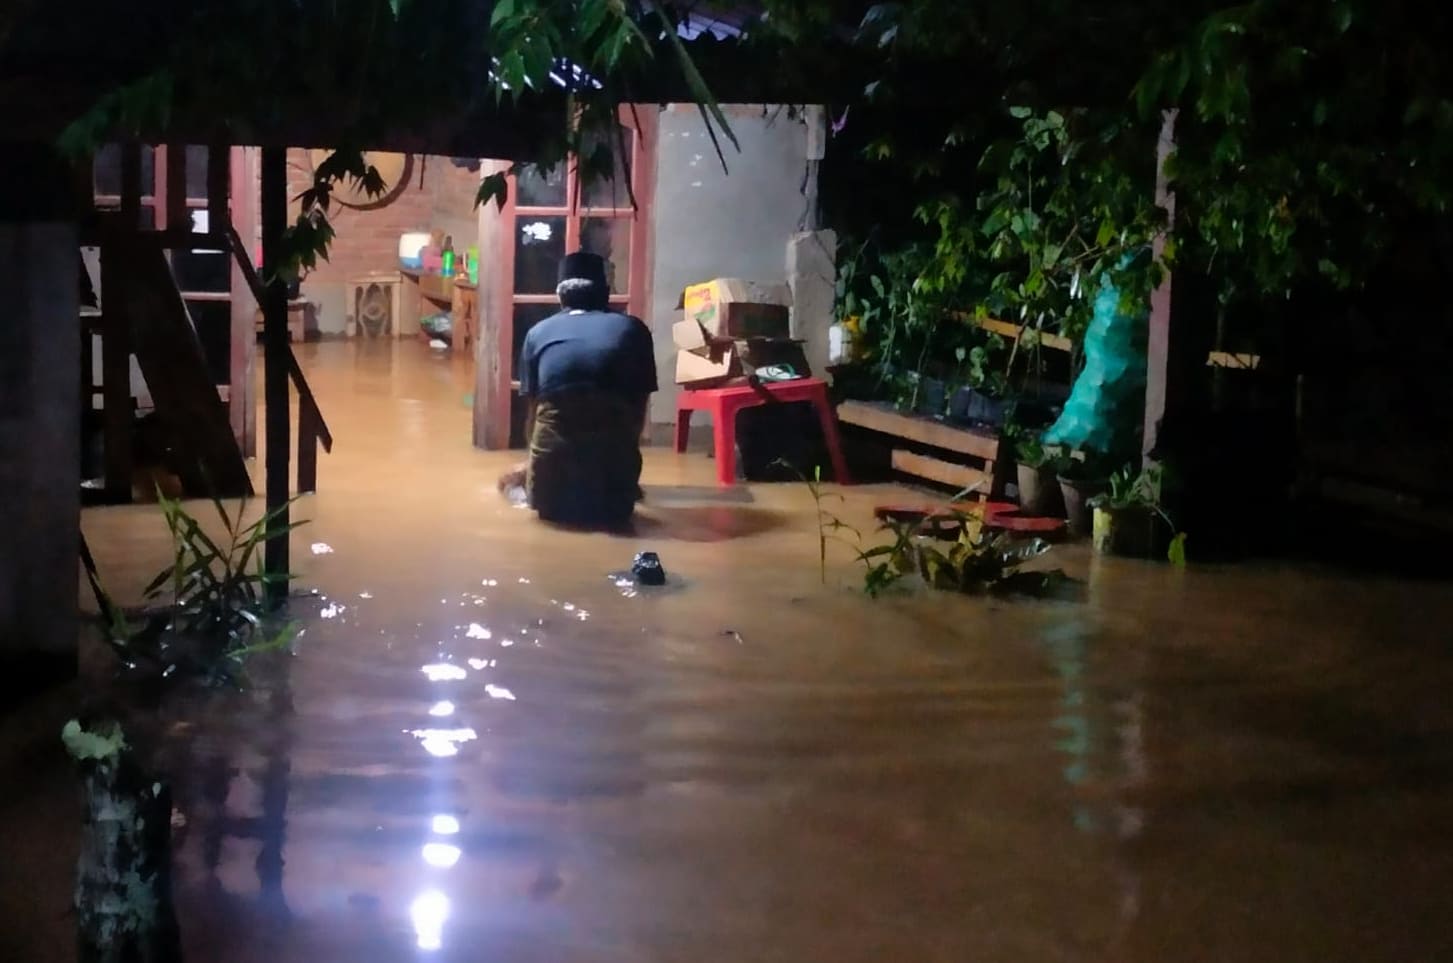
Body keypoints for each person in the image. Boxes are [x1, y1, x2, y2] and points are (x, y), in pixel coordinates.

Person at [509, 251, 657, 527]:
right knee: (620, 513)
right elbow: (639, 411)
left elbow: (534, 415)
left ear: (561, 296)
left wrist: (530, 465)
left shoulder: (539, 333)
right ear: (605, 292)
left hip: (549, 492)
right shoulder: (633, 330)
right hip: (614, 492)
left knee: (512, 487)